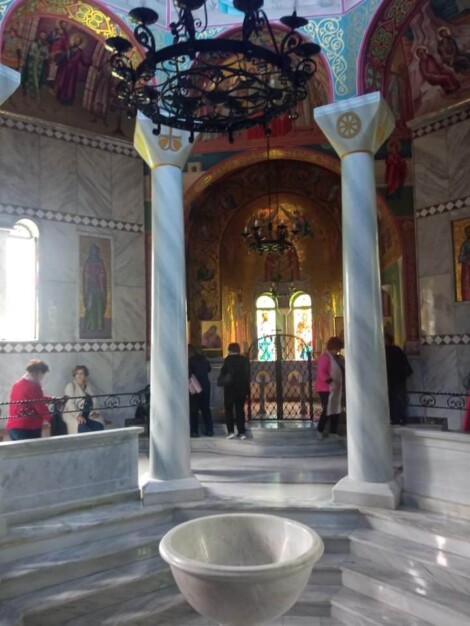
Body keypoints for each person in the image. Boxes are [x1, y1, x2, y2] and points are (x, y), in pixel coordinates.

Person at [6, 359, 52, 440]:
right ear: (39, 372)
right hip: (28, 427)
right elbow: (40, 406)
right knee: (35, 449)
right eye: (43, 374)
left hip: (13, 427)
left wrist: (50, 399)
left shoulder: (17, 384)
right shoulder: (34, 385)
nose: (42, 377)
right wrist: (53, 421)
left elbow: (30, 398)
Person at [314, 336, 344, 439]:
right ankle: (320, 430)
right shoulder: (325, 357)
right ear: (333, 347)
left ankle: (333, 432)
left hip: (336, 388)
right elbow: (321, 372)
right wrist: (330, 382)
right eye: (337, 349)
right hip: (325, 389)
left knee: (336, 409)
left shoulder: (336, 358)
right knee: (328, 409)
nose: (338, 351)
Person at [63, 365, 106, 434]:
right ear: (74, 376)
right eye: (77, 374)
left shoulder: (89, 388)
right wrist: (77, 415)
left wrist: (95, 412)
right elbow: (69, 403)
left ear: (85, 376)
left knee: (99, 427)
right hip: (74, 416)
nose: (79, 376)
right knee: (86, 431)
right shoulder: (70, 386)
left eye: (81, 374)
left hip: (88, 417)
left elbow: (95, 401)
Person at [220, 342, 250, 440]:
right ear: (239, 350)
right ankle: (241, 432)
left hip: (230, 389)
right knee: (240, 410)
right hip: (241, 389)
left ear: (229, 350)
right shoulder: (244, 360)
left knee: (229, 410)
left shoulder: (227, 360)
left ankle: (231, 432)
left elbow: (223, 373)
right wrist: (247, 390)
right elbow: (247, 375)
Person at [385, 333, 413, 426]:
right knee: (400, 398)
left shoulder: (385, 351)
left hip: (390, 379)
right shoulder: (397, 349)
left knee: (392, 399)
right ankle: (402, 418)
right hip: (399, 378)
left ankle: (395, 418)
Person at [188, 345, 213, 437]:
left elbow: (188, 373)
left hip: (194, 386)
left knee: (193, 409)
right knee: (206, 409)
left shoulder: (190, 360)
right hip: (205, 385)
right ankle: (209, 430)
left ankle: (194, 431)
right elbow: (209, 369)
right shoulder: (203, 359)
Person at [83, 243, 107, 331]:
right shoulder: (88, 262)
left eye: (95, 250)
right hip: (90, 288)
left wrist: (99, 275)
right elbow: (85, 275)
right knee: (90, 306)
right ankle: (89, 325)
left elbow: (103, 274)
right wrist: (90, 276)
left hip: (99, 288)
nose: (93, 252)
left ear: (97, 251)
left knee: (99, 306)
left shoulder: (100, 262)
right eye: (92, 250)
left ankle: (99, 325)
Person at [458, 225, 470, 301]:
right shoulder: (465, 244)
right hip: (467, 268)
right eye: (467, 232)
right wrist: (467, 257)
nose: (468, 233)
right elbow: (460, 258)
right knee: (467, 284)